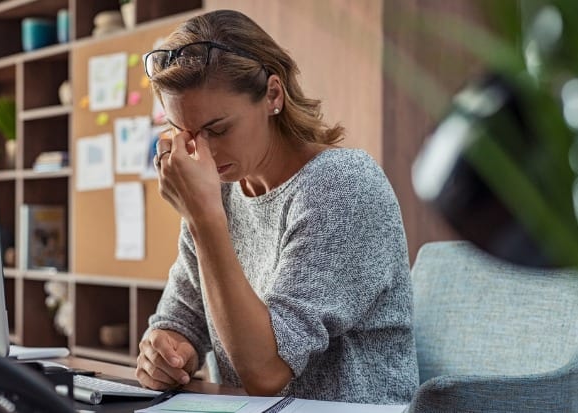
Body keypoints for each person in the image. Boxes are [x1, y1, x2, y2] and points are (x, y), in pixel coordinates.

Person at [136, 9, 418, 404]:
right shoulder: (219, 193)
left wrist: (203, 218)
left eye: (218, 129)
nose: (203, 152)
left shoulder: (342, 186)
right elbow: (182, 318)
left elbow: (266, 371)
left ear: (273, 94)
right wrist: (165, 351)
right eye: (186, 134)